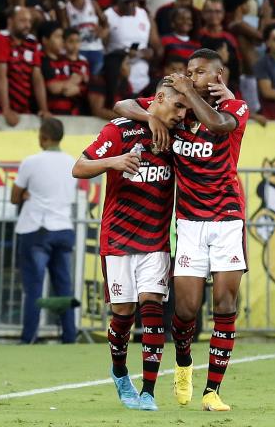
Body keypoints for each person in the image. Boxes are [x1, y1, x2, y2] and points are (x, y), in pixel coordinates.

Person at [114, 49, 250, 412]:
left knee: (225, 303)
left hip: (227, 220)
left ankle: (213, 391)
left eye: (201, 72)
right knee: (187, 311)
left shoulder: (236, 108)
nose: (191, 77)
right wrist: (152, 118)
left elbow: (220, 127)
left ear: (219, 76)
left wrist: (190, 92)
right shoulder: (179, 106)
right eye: (189, 71)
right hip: (189, 222)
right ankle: (185, 362)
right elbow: (121, 103)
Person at [73, 81, 188, 412]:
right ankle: (120, 372)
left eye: (185, 110)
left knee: (152, 310)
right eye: (178, 107)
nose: (182, 115)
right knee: (122, 316)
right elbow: (79, 167)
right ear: (159, 99)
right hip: (119, 237)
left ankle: (148, 391)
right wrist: (114, 162)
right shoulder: (119, 131)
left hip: (154, 239)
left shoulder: (177, 135)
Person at [11, 118, 77, 345]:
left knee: (34, 288)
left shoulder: (31, 162)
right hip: (64, 227)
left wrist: (27, 194)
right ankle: (69, 337)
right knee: (63, 288)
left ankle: (29, 337)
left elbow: (14, 196)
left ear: (43, 136)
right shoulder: (72, 162)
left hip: (36, 228)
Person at [0, 6, 45, 126]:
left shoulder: (31, 43)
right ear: (10, 21)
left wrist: (44, 109)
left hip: (24, 110)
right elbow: (0, 77)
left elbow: (37, 78)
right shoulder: (0, 40)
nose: (27, 25)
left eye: (29, 21)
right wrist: (6, 109)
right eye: (22, 21)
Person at [105, 0, 159, 96]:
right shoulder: (108, 16)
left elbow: (156, 50)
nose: (129, 6)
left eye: (132, 2)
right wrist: (122, 54)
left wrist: (142, 53)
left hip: (142, 82)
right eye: (126, 2)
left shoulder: (144, 15)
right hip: (118, 81)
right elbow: (103, 50)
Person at [62, 0, 108, 76]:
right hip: (78, 52)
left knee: (95, 84)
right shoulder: (65, 9)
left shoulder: (92, 4)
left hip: (96, 50)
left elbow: (105, 25)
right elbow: (65, 33)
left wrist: (102, 33)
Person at [37, 21, 83, 115]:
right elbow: (53, 88)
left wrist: (68, 86)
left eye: (62, 37)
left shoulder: (66, 60)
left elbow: (78, 81)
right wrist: (70, 84)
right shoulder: (43, 61)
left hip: (72, 115)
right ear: (45, 40)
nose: (62, 40)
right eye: (57, 36)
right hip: (52, 115)